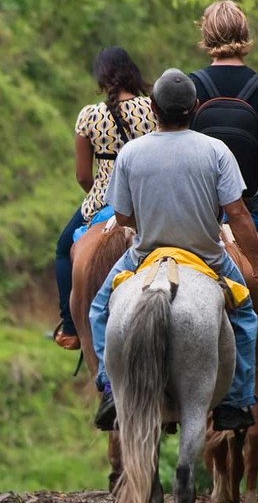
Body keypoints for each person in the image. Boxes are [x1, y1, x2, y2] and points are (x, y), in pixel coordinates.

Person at [90, 68, 258, 432]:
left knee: (99, 308)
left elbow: (122, 215)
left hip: (144, 253)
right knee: (245, 315)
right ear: (195, 107)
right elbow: (238, 214)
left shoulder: (132, 153)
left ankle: (107, 389)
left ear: (153, 107)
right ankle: (236, 400)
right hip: (207, 255)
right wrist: (255, 259)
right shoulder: (216, 150)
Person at [54, 47, 157, 350]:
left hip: (104, 201)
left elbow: (84, 176)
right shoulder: (153, 108)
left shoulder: (90, 116)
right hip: (147, 202)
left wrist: (101, 198)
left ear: (102, 78)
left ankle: (71, 328)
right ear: (131, 72)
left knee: (62, 249)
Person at [190, 0, 258, 226]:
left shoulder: (191, 86)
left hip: (202, 208)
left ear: (207, 34)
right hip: (250, 204)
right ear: (243, 32)